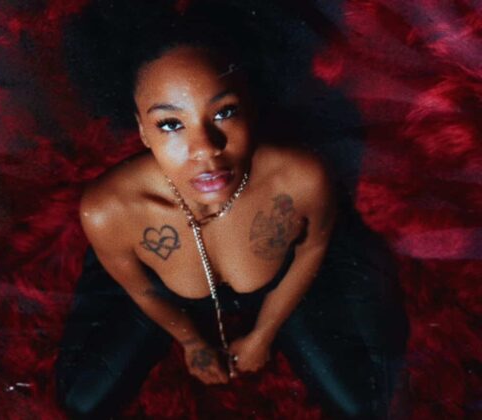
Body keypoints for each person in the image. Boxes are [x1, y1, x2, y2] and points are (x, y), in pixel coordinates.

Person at [56, 1, 409, 418]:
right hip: (165, 293)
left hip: (282, 286)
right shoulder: (110, 210)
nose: (205, 149)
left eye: (224, 112)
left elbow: (312, 249)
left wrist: (263, 334)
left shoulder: (301, 179)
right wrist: (191, 342)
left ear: (251, 106)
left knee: (363, 405)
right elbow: (140, 289)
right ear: (141, 130)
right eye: (170, 124)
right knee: (81, 401)